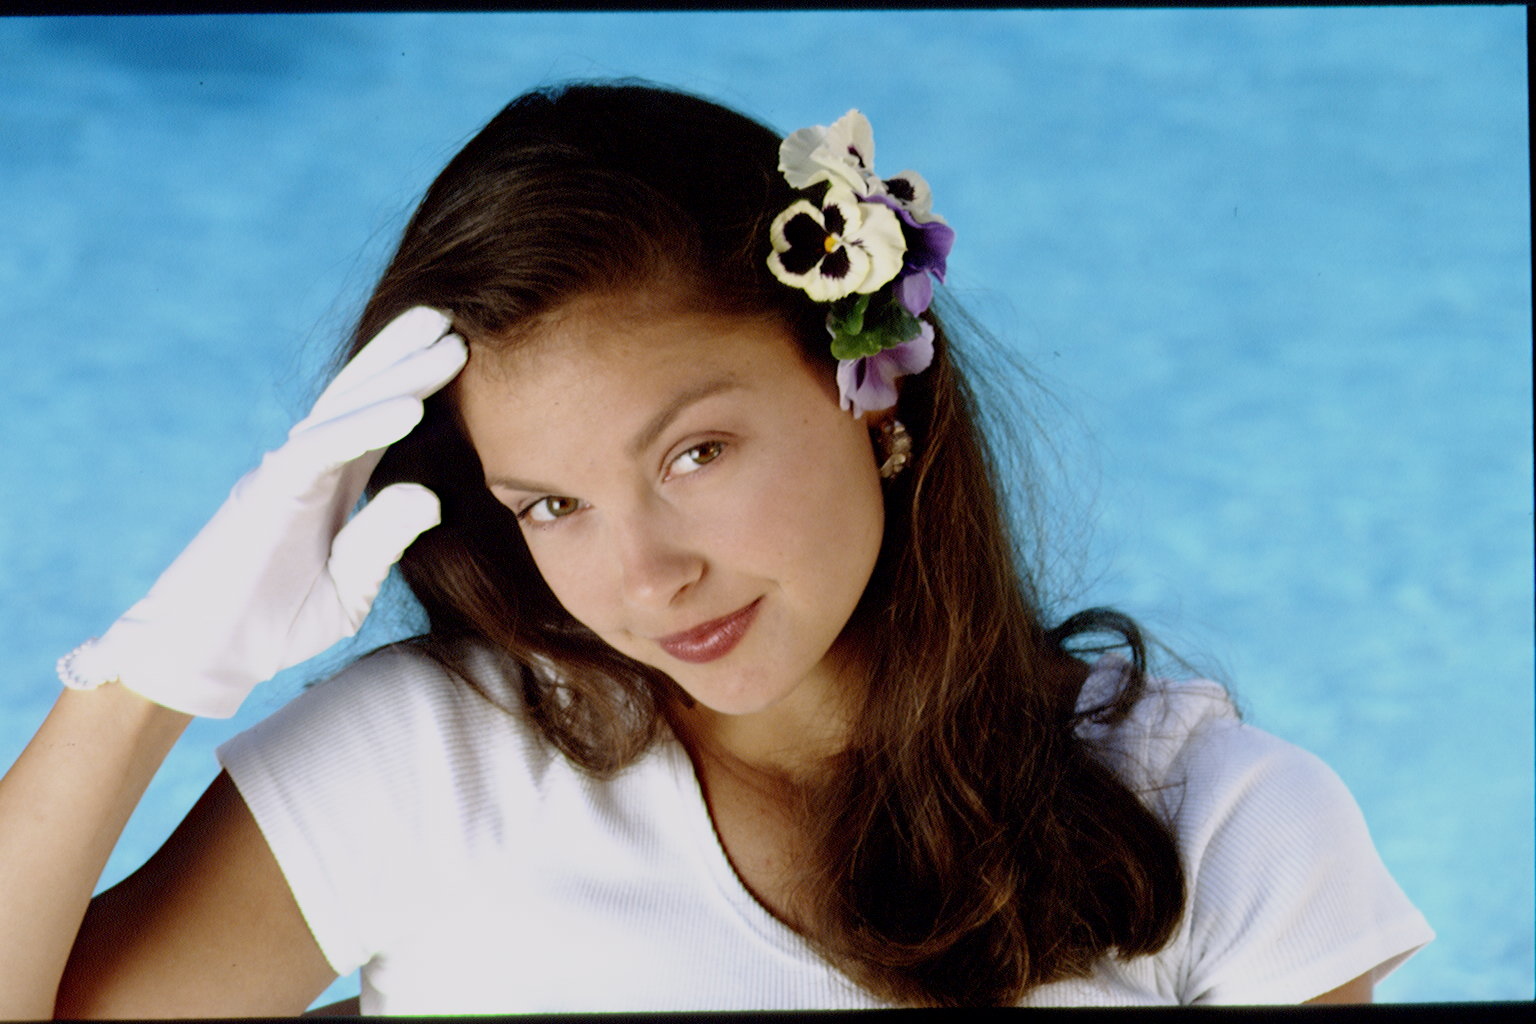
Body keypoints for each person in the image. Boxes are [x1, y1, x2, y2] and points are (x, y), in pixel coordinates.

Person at [0, 81, 1432, 1015]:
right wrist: (143, 681)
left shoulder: (1217, 823)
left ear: (874, 390)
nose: (643, 576)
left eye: (694, 455)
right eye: (550, 505)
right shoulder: (432, 763)